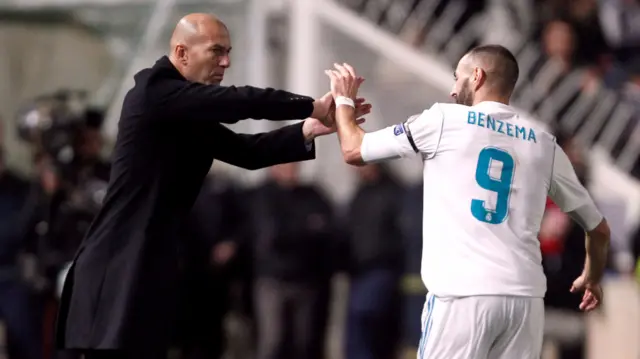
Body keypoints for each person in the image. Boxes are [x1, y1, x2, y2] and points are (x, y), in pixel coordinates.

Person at [55, 13, 370, 359]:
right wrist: (311, 104)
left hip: (146, 262)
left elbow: (246, 152)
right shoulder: (155, 91)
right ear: (182, 52)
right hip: (117, 266)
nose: (227, 62)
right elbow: (239, 102)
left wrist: (308, 127)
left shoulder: (184, 110)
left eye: (229, 52)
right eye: (216, 51)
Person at [325, 45, 610, 359]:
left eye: (456, 77)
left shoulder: (443, 120)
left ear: (477, 76)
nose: (451, 89)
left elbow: (354, 149)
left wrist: (344, 100)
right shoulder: (544, 144)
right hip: (524, 301)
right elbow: (598, 229)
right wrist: (592, 277)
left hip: (463, 296)